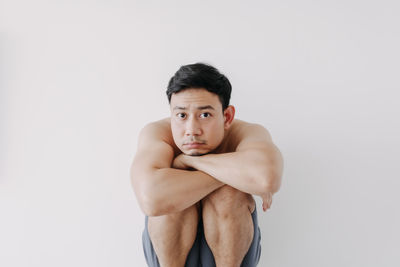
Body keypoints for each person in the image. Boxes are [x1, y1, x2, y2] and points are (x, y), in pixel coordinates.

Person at [130, 63, 283, 267]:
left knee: (228, 194)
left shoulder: (245, 133)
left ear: (227, 117)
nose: (191, 130)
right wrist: (238, 174)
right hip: (169, 256)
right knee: (171, 198)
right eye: (181, 115)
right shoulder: (157, 133)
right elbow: (151, 199)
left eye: (204, 115)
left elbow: (266, 178)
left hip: (234, 253)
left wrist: (188, 161)